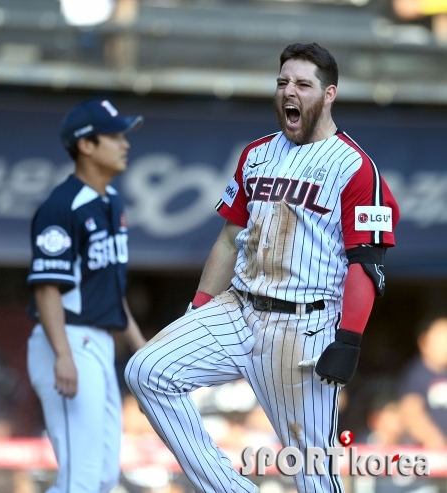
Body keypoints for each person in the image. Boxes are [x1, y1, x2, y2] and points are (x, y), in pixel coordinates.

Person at [125, 42, 400, 493]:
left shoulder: (355, 168)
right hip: (239, 307)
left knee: (312, 471)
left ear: (329, 94)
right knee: (147, 371)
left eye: (303, 84)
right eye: (283, 82)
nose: (289, 91)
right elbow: (232, 237)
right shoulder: (256, 153)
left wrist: (349, 340)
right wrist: (198, 310)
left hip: (303, 326)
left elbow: (366, 264)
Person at [26, 99, 147, 493]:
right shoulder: (62, 206)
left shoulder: (111, 201)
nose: (124, 143)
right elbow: (47, 287)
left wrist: (142, 352)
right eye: (114, 136)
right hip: (67, 340)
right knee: (79, 478)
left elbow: (110, 293)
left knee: (102, 477)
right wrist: (63, 354)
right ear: (86, 145)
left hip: (97, 343)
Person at [399, 316, 447, 449]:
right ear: (424, 341)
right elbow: (411, 412)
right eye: (441, 339)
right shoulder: (416, 374)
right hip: (430, 456)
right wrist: (434, 440)